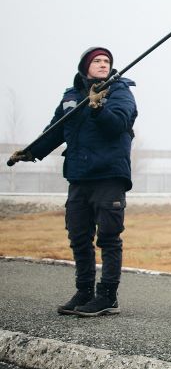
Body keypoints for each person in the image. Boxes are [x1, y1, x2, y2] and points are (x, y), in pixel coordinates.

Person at [8, 47, 137, 317]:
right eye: (97, 61)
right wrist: (32, 150)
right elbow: (57, 128)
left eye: (107, 61)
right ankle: (84, 291)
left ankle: (108, 296)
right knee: (79, 236)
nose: (103, 65)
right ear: (85, 66)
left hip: (109, 175)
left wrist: (98, 108)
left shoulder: (119, 91)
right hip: (79, 175)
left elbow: (118, 125)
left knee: (109, 238)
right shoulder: (71, 95)